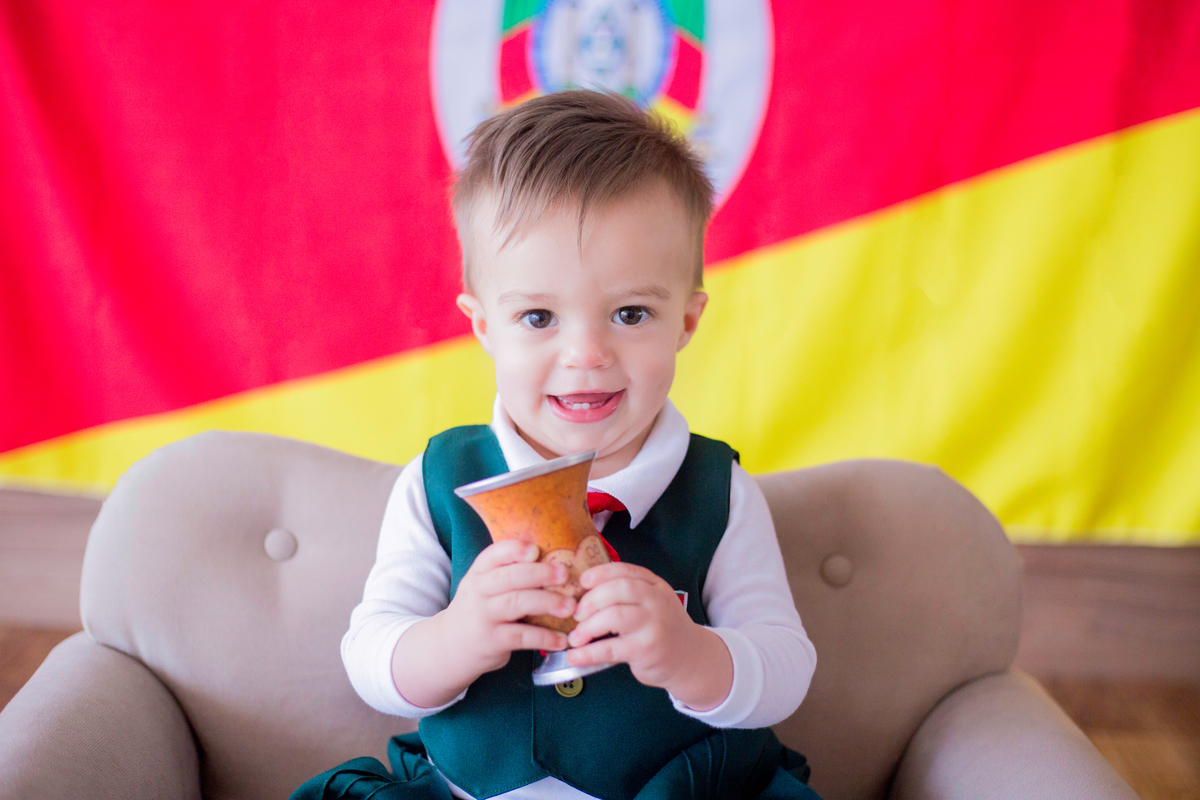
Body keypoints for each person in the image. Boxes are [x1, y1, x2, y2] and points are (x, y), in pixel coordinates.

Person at [291, 90, 821, 800]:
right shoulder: (438, 480)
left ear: (687, 321)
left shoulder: (718, 491)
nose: (586, 354)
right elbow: (370, 656)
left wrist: (691, 652)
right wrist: (458, 637)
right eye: (538, 316)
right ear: (484, 328)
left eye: (630, 314)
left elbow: (785, 669)